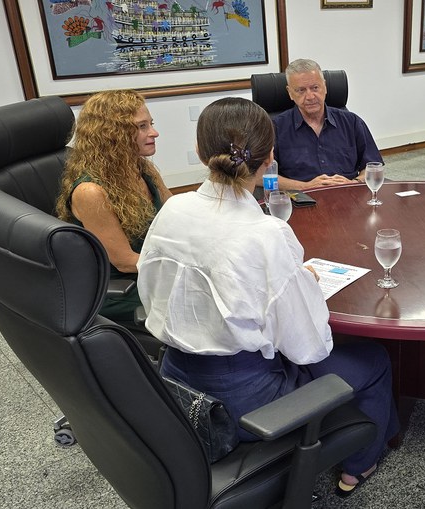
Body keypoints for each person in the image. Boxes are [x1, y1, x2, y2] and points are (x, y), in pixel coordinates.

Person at [137, 97, 399, 496]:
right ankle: (358, 466)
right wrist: (302, 284)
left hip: (174, 383)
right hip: (243, 403)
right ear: (270, 158)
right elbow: (308, 349)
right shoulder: (266, 234)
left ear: (199, 151)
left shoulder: (173, 209)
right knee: (374, 359)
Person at [56, 89, 172, 323]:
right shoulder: (90, 192)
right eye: (141, 127)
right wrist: (185, 264)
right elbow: (125, 261)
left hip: (153, 269)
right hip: (123, 288)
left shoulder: (141, 168)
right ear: (112, 134)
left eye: (150, 124)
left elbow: (175, 212)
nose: (154, 133)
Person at [266, 58, 383, 191]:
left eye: (315, 88)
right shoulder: (274, 128)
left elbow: (374, 168)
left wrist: (353, 182)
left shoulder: (352, 122)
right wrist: (306, 186)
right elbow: (260, 176)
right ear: (290, 93)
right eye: (301, 90)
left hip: (348, 196)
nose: (310, 96)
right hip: (301, 199)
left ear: (325, 87)